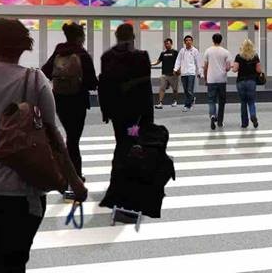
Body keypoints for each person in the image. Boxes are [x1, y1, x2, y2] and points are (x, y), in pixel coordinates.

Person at [0, 17, 84, 273]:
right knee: (12, 259)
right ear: (24, 46)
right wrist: (74, 181)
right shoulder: (36, 81)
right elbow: (53, 136)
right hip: (22, 193)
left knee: (1, 252)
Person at [96, 22, 154, 170]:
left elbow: (103, 85)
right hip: (136, 113)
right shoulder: (141, 56)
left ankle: (119, 169)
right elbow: (146, 86)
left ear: (116, 36)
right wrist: (148, 116)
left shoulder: (107, 57)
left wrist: (104, 110)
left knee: (121, 139)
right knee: (132, 138)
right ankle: (130, 171)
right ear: (133, 37)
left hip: (116, 111)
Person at [45, 24, 98, 178]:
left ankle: (68, 175)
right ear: (80, 37)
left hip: (60, 100)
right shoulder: (82, 53)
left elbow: (45, 71)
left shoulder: (58, 52)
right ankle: (74, 176)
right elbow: (92, 82)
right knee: (73, 140)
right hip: (78, 100)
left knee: (70, 137)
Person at [201, 31, 233, 130]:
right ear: (221, 40)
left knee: (211, 100)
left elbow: (205, 67)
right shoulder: (226, 52)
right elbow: (228, 68)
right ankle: (220, 122)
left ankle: (212, 116)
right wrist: (226, 68)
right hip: (222, 79)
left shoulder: (208, 51)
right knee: (221, 101)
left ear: (213, 40)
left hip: (211, 79)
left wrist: (206, 78)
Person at [235, 40, 263, 129]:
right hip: (251, 81)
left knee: (243, 102)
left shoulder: (238, 56)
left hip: (241, 81)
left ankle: (244, 123)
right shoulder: (255, 56)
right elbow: (259, 70)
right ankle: (253, 116)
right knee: (251, 102)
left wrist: (234, 66)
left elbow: (235, 69)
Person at [156, 36, 180, 106]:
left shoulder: (175, 52)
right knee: (162, 88)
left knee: (175, 89)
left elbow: (179, 62)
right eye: (165, 44)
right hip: (164, 74)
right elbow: (158, 61)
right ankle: (160, 102)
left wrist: (178, 71)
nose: (166, 45)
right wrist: (150, 64)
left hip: (173, 74)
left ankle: (175, 101)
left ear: (171, 44)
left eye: (168, 44)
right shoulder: (163, 53)